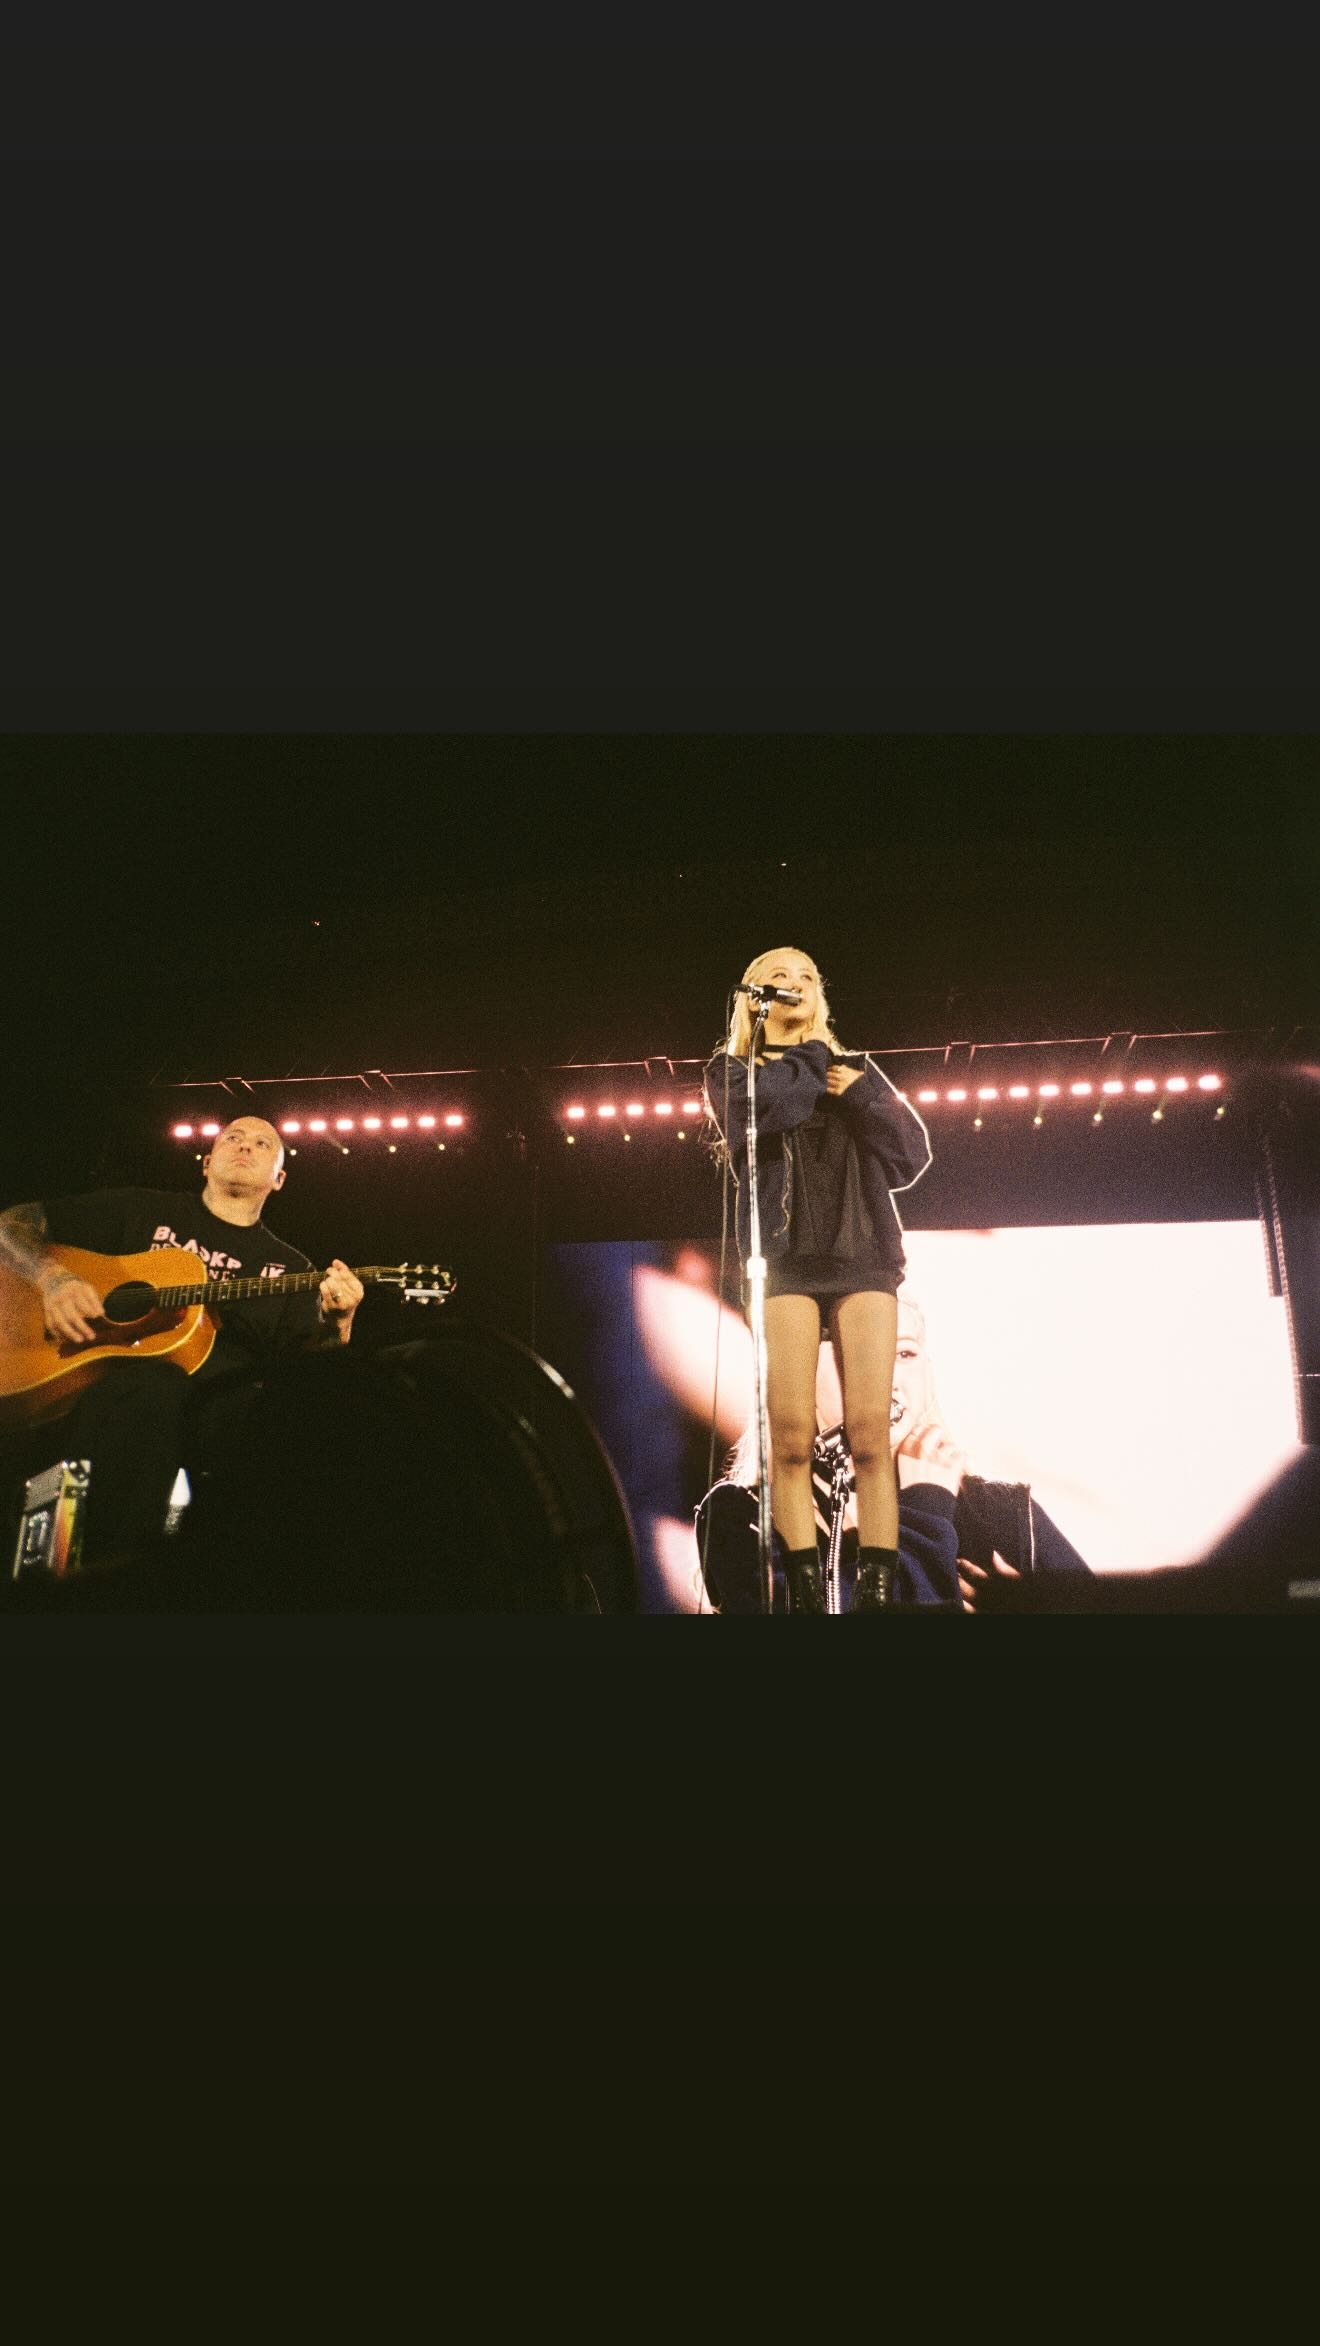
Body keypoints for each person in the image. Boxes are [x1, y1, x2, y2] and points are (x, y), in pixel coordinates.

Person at [0, 1116, 365, 1568]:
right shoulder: (141, 1209)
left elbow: (317, 1379)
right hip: (97, 1388)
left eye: (262, 1144)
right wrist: (53, 1279)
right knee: (156, 1388)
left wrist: (340, 1321)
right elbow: (13, 1224)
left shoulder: (291, 1269)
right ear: (206, 1162)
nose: (245, 1147)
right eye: (233, 1137)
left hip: (215, 1421)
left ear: (279, 1179)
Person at [703, 946, 932, 1611]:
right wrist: (812, 1057)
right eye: (779, 976)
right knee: (792, 1436)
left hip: (864, 1256)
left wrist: (860, 1094)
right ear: (754, 995)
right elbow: (775, 1108)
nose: (795, 983)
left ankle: (877, 1597)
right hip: (784, 1261)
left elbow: (911, 1155)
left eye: (806, 976)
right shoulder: (735, 1074)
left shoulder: (854, 1072)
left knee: (869, 1433)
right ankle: (805, 1594)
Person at [694, 1296, 1095, 1612]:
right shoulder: (740, 1516)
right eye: (855, 1353)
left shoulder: (1003, 1511)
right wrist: (925, 1507)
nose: (885, 1378)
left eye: (904, 1354)